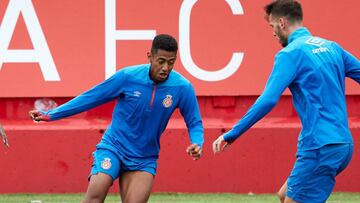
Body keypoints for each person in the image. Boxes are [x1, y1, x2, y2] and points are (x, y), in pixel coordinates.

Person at [212, 0, 360, 203]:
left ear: (281, 22)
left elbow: (268, 100)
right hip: (343, 144)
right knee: (284, 195)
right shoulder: (331, 47)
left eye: (271, 26)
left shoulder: (290, 54)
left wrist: (233, 133)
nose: (272, 32)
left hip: (319, 146)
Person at [29, 34, 204, 203]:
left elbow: (194, 121)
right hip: (114, 147)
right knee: (95, 196)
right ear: (150, 56)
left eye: (171, 62)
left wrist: (197, 142)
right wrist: (51, 114)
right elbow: (91, 97)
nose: (166, 68)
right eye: (161, 61)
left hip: (144, 158)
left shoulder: (182, 87)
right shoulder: (128, 77)